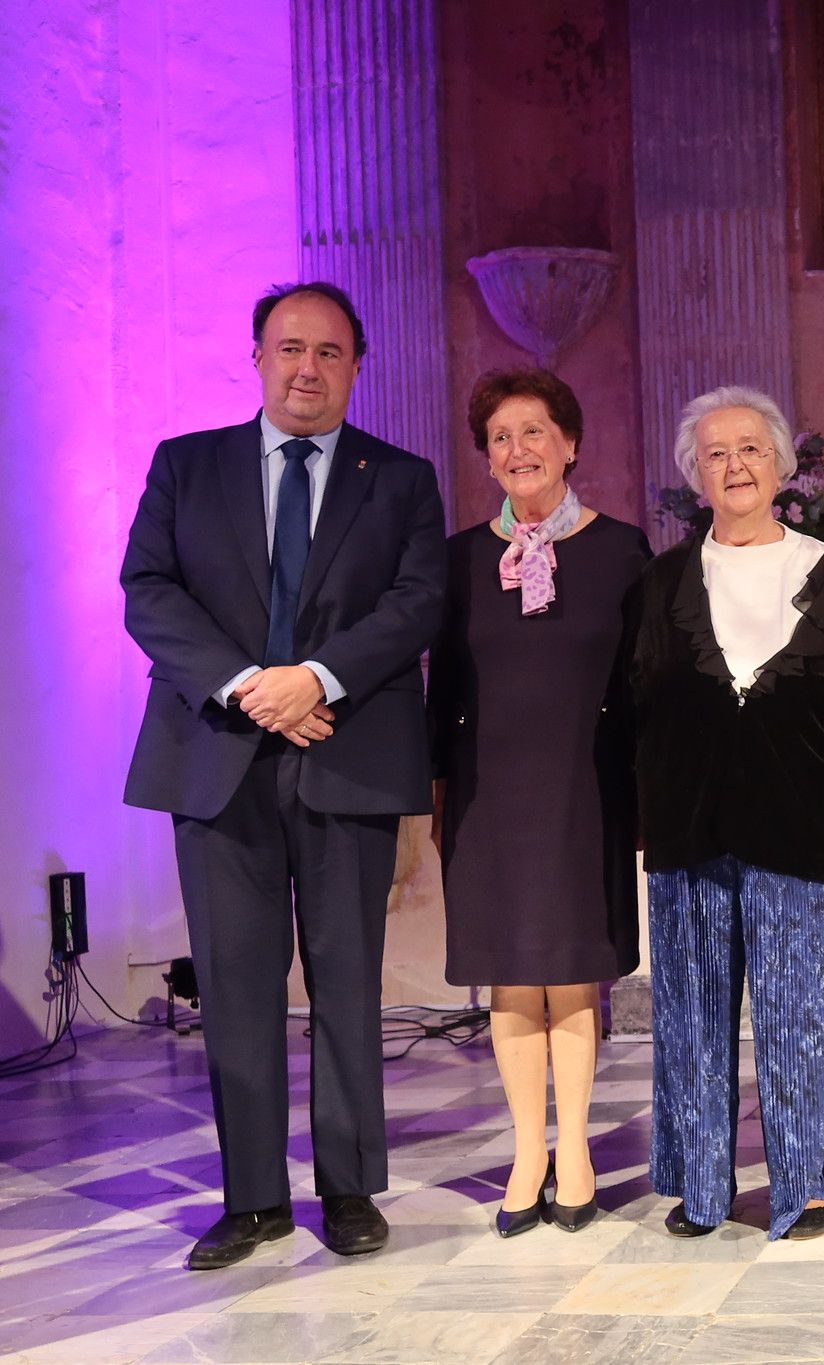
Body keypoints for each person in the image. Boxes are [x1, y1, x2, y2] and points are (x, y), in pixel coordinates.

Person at [121, 282, 445, 1269]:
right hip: (216, 760)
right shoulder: (187, 466)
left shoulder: (399, 479)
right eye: (290, 348)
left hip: (346, 754)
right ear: (257, 356)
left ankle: (348, 1189)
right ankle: (252, 1198)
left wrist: (313, 679)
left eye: (331, 352)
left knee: (347, 981)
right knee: (234, 986)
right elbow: (148, 590)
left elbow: (419, 601)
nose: (308, 368)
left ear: (356, 365)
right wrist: (244, 685)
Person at [632, 385, 824, 1241]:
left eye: (750, 448)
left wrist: (815, 785)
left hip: (795, 826)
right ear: (694, 474)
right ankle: (700, 1185)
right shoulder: (662, 580)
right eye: (716, 452)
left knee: (799, 1011)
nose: (735, 464)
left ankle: (806, 1182)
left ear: (781, 463)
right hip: (689, 827)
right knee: (692, 1013)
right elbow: (634, 700)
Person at [427, 367, 651, 1237]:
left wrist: (643, 796)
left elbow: (641, 684)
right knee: (513, 977)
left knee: (572, 973)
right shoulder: (458, 559)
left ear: (570, 443)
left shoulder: (623, 549)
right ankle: (528, 1150)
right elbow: (442, 682)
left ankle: (581, 1151)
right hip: (489, 790)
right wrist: (437, 790)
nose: (518, 450)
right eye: (500, 439)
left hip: (584, 785)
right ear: (487, 459)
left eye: (534, 432)